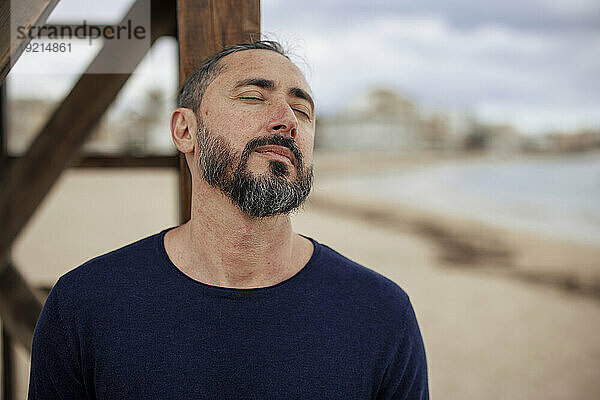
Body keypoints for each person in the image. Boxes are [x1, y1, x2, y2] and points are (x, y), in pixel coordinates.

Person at [28, 40, 428, 399]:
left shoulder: (381, 314)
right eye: (254, 97)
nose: (287, 119)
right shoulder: (84, 305)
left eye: (303, 110)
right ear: (185, 130)